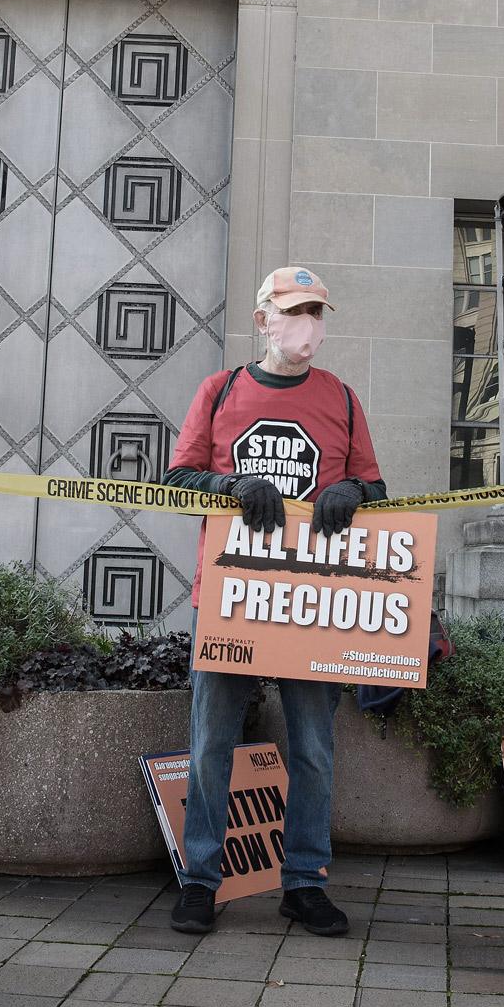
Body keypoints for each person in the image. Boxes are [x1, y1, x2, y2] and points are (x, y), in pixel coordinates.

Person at [159, 267, 386, 936]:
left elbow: (377, 488)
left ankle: (305, 881)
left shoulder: (341, 399)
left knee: (314, 747)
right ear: (264, 321)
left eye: (317, 312)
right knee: (211, 744)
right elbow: (177, 481)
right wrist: (230, 484)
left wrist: (356, 496)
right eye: (295, 311)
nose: (308, 324)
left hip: (313, 605)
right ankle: (201, 879)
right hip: (231, 597)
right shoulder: (220, 390)